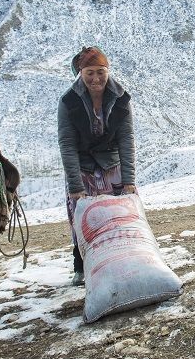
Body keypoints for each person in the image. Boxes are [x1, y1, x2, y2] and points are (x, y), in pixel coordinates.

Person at [58, 46, 137, 286]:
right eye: (89, 72)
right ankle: (81, 266)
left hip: (112, 165)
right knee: (82, 220)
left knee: (119, 217)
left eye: (101, 72)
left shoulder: (121, 99)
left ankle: (123, 261)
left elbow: (126, 139)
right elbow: (67, 144)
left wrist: (129, 180)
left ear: (108, 71)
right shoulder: (68, 102)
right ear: (80, 73)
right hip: (82, 168)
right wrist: (75, 186)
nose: (96, 78)